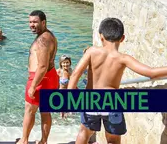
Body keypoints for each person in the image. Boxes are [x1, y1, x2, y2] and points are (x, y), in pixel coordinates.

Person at [67, 18, 167, 144]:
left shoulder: (92, 51)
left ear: (101, 36)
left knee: (84, 132)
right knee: (113, 139)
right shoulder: (123, 59)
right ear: (122, 38)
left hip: (91, 100)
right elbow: (151, 73)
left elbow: (76, 73)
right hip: (111, 102)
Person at [16, 10, 59, 144]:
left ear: (43, 22)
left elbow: (42, 66)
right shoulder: (49, 35)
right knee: (45, 111)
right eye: (30, 22)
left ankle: (24, 140)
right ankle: (43, 141)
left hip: (40, 79)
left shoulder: (42, 40)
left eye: (35, 22)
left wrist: (33, 86)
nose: (31, 25)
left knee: (29, 110)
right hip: (50, 76)